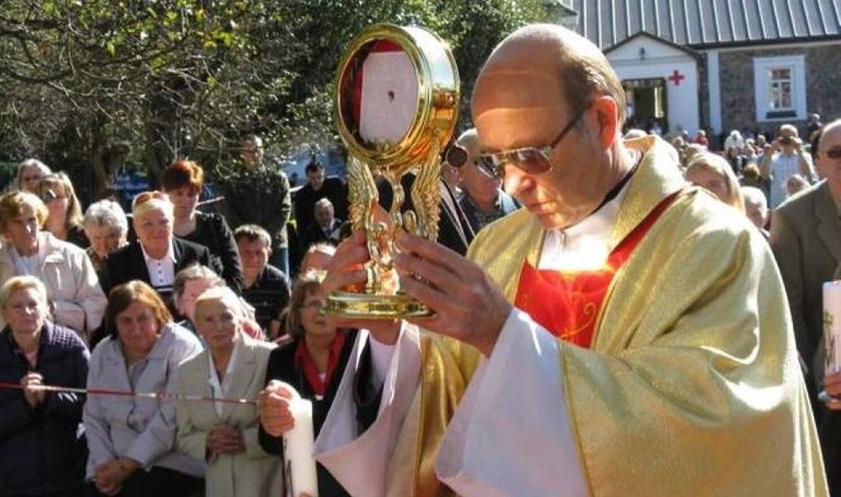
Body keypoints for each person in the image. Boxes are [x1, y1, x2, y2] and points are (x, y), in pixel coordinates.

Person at [263, 24, 826, 496]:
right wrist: (387, 338)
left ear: (604, 121)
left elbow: (711, 433)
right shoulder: (501, 246)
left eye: (533, 154)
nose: (514, 183)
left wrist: (502, 335)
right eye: (496, 159)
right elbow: (442, 413)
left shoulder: (715, 246)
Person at [771, 119, 841, 494]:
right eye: (835, 153)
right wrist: (813, 384)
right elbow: (788, 311)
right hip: (827, 388)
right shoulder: (792, 218)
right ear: (817, 162)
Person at [84, 280, 204, 496]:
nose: (136, 329)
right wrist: (104, 466)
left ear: (157, 317)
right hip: (113, 461)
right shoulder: (103, 352)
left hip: (169, 460)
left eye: (143, 319)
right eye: (126, 321)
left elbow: (171, 417)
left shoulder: (181, 346)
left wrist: (126, 466)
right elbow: (93, 416)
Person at [174, 287, 282, 497]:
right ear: (198, 326)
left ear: (240, 320)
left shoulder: (270, 358)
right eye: (209, 320)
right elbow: (184, 436)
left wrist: (245, 440)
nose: (219, 327)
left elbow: (287, 425)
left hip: (267, 483)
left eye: (226, 317)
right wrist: (207, 442)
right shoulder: (186, 371)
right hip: (218, 487)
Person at [0, 276, 89, 497]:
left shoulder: (71, 346)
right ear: (4, 313)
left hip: (72, 476)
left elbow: (93, 407)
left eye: (33, 304)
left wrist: (50, 398)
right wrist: (24, 405)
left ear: (46, 308)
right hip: (15, 482)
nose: (27, 312)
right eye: (17, 306)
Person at [258, 271, 356, 497]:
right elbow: (269, 442)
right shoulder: (281, 359)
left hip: (354, 482)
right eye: (313, 303)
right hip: (304, 484)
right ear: (297, 313)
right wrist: (273, 418)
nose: (322, 310)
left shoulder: (359, 352)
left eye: (329, 302)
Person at [0, 191, 107, 342]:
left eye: (31, 220)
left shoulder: (73, 256)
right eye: (18, 222)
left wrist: (53, 310)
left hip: (65, 351)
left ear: (40, 220)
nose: (27, 228)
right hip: (10, 357)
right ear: (5, 228)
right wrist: (18, 322)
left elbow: (96, 305)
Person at [99, 191, 216, 316]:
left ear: (172, 222)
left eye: (163, 222)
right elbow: (110, 313)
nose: (156, 230)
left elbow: (212, 302)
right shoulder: (115, 263)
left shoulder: (197, 255)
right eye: (147, 224)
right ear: (136, 227)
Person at [163, 159, 243, 294]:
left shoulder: (215, 225)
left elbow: (235, 273)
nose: (185, 200)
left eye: (191, 194)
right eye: (179, 194)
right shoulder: (156, 229)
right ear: (166, 193)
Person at [217, 135, 292, 275]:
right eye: (249, 150)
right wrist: (251, 238)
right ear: (241, 154)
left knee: (280, 286)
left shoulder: (278, 178)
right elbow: (232, 214)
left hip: (276, 244)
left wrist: (264, 237)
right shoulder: (234, 183)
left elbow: (284, 210)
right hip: (247, 246)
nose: (254, 153)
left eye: (258, 149)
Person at [448, 128, 519, 234]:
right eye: (483, 161)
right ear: (460, 171)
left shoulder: (523, 209)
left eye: (497, 159)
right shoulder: (453, 221)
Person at [172, 264, 265, 342]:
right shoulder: (174, 338)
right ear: (180, 305)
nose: (201, 301)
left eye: (207, 293)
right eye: (193, 296)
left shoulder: (246, 329)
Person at [234, 224, 290, 338]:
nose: (253, 258)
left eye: (259, 253)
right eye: (246, 252)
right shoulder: (222, 279)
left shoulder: (277, 281)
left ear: (269, 253)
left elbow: (278, 331)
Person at [759, 124, 816, 208]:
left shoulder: (805, 156)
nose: (787, 141)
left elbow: (809, 174)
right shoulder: (774, 158)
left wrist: (799, 150)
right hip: (779, 202)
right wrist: (771, 152)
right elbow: (764, 175)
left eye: (790, 137)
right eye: (784, 137)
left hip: (801, 201)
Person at [293, 160, 349, 244]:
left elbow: (346, 206)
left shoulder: (336, 186)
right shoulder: (302, 195)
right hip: (316, 235)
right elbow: (301, 222)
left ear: (324, 174)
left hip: (339, 229)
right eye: (313, 178)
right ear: (307, 177)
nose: (317, 181)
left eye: (319, 177)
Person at [37, 172, 90, 249]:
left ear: (70, 200)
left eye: (58, 197)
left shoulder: (85, 233)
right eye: (48, 197)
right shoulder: (34, 233)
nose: (53, 202)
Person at [83, 199, 129, 271]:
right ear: (88, 235)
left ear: (123, 235)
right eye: (97, 238)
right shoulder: (80, 261)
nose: (103, 245)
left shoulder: (137, 258)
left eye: (110, 237)